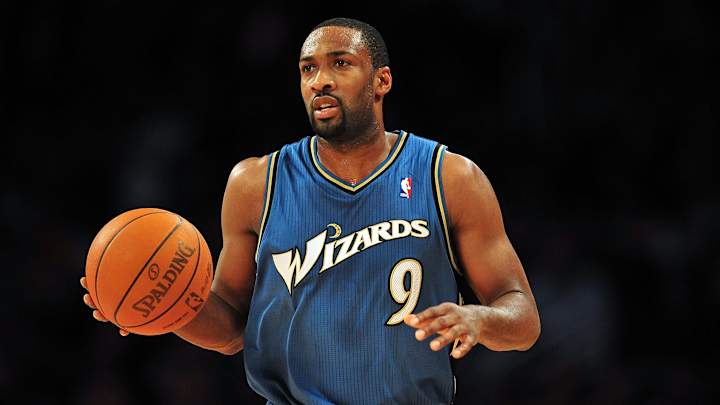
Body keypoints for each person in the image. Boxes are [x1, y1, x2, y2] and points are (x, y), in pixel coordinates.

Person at [81, 17, 540, 404]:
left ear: (381, 81)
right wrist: (163, 305)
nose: (320, 80)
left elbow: (523, 319)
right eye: (308, 68)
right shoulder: (255, 184)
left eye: (340, 63)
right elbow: (231, 330)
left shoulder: (450, 177)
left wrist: (479, 319)